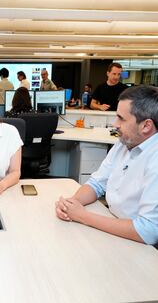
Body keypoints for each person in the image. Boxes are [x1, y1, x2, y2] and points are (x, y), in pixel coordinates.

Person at [55, 85, 158, 245]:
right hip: (114, 226)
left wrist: (82, 216)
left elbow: (147, 231)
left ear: (146, 126)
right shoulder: (124, 143)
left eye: (121, 118)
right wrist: (71, 204)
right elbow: (96, 184)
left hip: (138, 243)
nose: (115, 124)